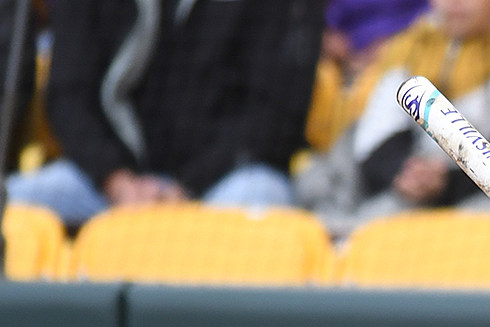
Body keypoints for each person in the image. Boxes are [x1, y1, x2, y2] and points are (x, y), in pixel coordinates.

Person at [5, 0, 323, 229]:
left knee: (257, 197)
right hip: (110, 182)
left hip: (222, 181)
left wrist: (184, 189)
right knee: (16, 202)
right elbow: (68, 95)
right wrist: (117, 179)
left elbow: (275, 115)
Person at [296, 0, 490, 239]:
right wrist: (407, 174)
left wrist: (445, 182)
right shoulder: (409, 46)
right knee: (364, 233)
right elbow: (376, 137)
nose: (456, 3)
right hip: (409, 193)